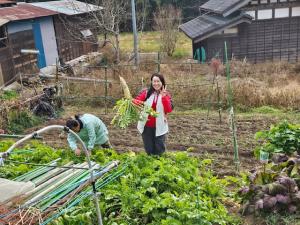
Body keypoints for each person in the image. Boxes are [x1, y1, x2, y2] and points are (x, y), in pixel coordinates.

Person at [133, 73, 173, 155]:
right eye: (154, 81)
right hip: (146, 126)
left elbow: (168, 109)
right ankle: (151, 164)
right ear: (151, 82)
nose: (156, 83)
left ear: (162, 82)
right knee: (149, 149)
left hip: (160, 126)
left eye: (158, 81)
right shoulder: (146, 93)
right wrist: (131, 101)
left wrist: (164, 97)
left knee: (159, 150)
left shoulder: (166, 94)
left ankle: (159, 165)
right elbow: (137, 102)